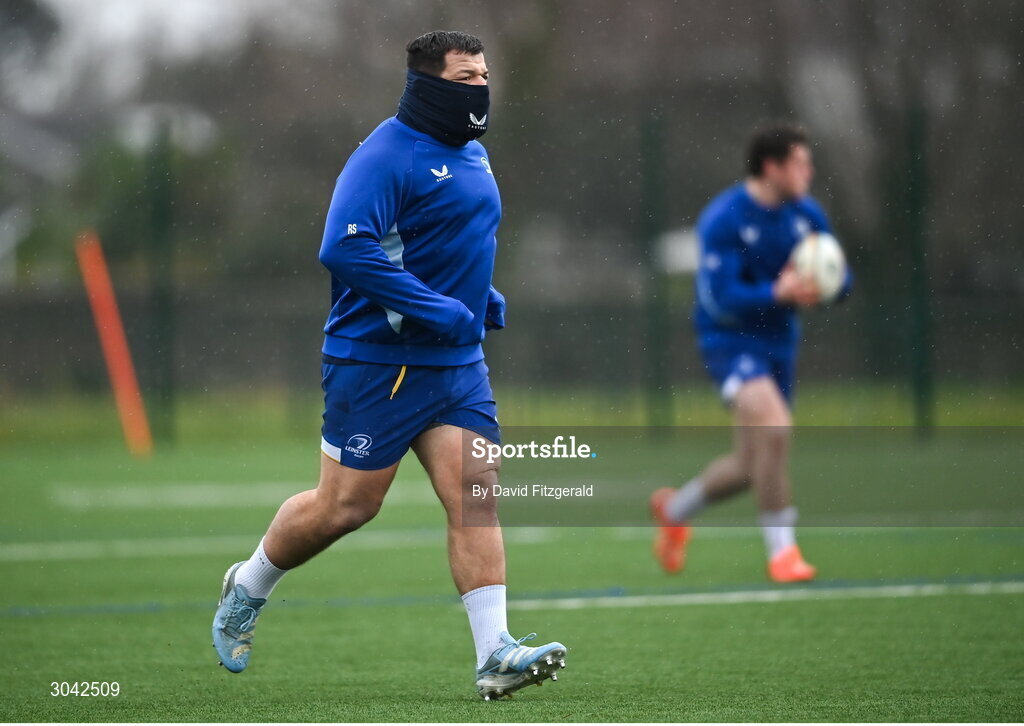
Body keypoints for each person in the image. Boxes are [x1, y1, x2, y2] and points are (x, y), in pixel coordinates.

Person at [211, 30, 566, 700]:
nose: (480, 91)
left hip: (458, 365)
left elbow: (449, 236)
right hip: (378, 364)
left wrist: (478, 295)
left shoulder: (475, 155)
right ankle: (248, 584)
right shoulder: (385, 156)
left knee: (476, 494)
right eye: (466, 78)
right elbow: (345, 250)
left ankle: (495, 652)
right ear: (428, 84)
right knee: (344, 508)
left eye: (485, 76)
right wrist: (436, 309)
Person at [650, 123, 852, 583]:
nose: (809, 171)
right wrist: (776, 292)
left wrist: (828, 287)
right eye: (800, 162)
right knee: (775, 427)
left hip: (780, 343)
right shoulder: (723, 218)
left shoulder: (808, 216)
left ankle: (674, 509)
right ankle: (783, 554)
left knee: (749, 466)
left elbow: (843, 279)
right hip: (729, 340)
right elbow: (719, 297)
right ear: (771, 167)